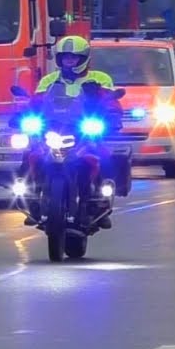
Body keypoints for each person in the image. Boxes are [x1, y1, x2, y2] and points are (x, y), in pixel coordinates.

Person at [23, 35, 118, 229]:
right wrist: (24, 116)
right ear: (59, 59)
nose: (69, 61)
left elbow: (112, 104)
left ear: (84, 58)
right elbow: (36, 103)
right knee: (32, 154)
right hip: (53, 129)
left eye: (74, 58)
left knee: (103, 156)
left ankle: (101, 202)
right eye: (66, 57)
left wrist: (106, 107)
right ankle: (30, 197)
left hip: (84, 130)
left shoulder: (100, 78)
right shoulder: (49, 80)